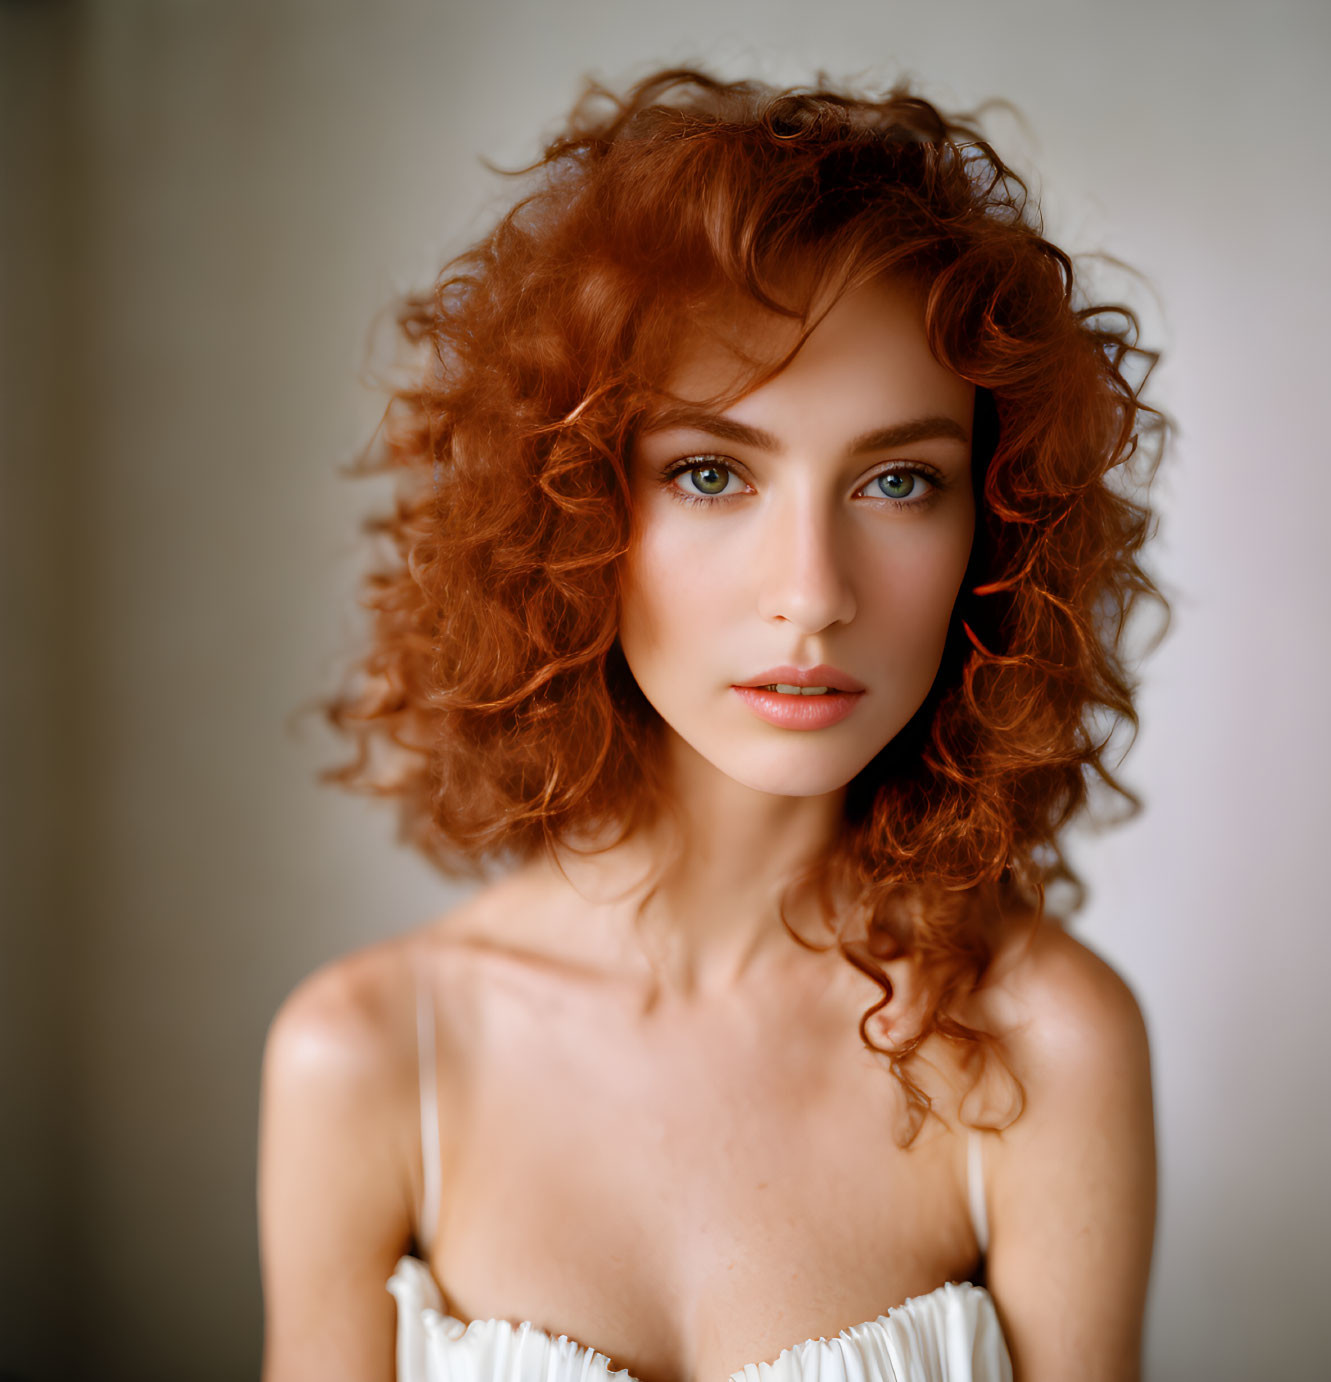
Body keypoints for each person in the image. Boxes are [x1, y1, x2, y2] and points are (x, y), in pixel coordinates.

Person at [257, 66, 1167, 1382]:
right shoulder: (370, 1058)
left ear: (997, 536)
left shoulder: (1044, 1050)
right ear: (569, 510)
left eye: (901, 479)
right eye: (709, 472)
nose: (812, 593)